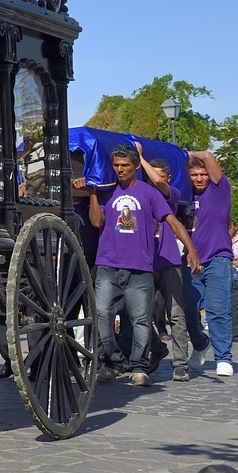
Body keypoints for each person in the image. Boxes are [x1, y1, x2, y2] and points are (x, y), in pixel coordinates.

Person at [91, 145, 200, 387]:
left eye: (125, 165)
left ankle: (140, 367)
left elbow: (172, 222)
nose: (120, 169)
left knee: (141, 319)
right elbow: (97, 221)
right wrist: (92, 193)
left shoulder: (149, 194)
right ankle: (113, 362)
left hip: (140, 266)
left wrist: (191, 249)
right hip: (108, 264)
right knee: (102, 314)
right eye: (116, 165)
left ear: (136, 166)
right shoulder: (107, 193)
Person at [137, 146, 205, 381]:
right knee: (141, 315)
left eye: (159, 177)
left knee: (176, 314)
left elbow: (156, 181)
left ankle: (180, 364)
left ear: (168, 178)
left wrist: (141, 158)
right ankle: (150, 354)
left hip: (169, 261)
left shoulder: (171, 194)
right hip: (144, 262)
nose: (154, 182)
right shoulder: (141, 195)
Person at [186, 151, 237, 377]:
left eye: (203, 174)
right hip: (190, 262)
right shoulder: (183, 198)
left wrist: (186, 154)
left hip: (218, 258)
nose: (199, 178)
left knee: (217, 310)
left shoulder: (219, 192)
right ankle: (199, 344)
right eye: (194, 174)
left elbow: (207, 155)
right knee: (188, 311)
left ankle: (223, 357)